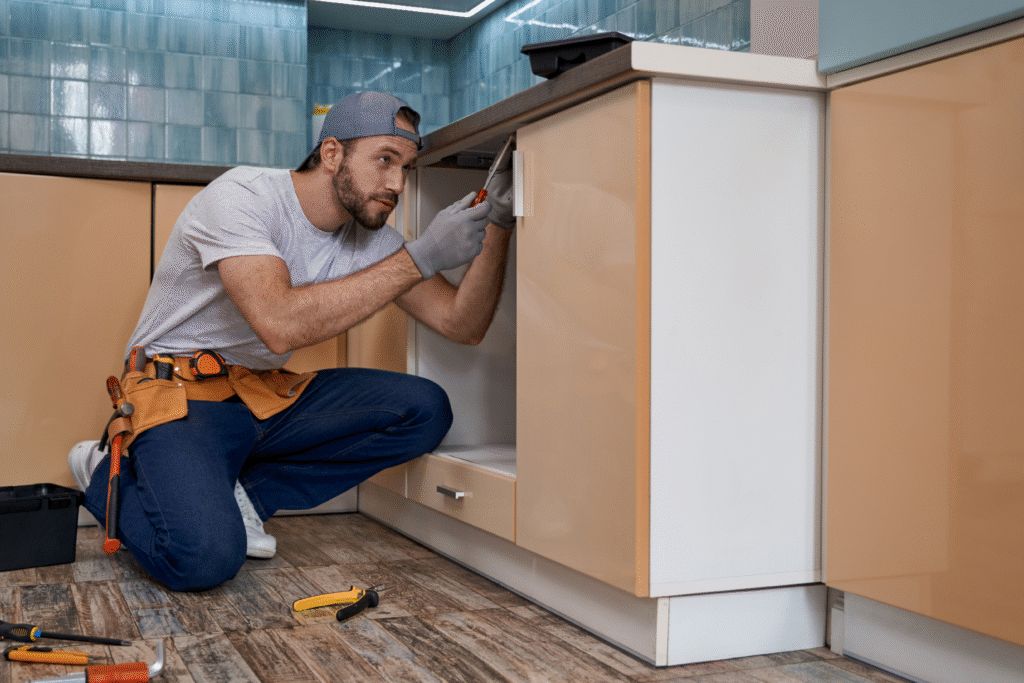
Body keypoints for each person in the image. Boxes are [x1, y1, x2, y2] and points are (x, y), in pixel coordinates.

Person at [67, 91, 515, 592]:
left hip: (263, 398)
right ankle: (102, 472)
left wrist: (498, 221)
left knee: (424, 408)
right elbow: (278, 322)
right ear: (331, 154)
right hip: (181, 398)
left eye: (406, 167)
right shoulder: (243, 197)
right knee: (204, 560)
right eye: (384, 160)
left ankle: (248, 495)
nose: (397, 184)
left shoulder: (373, 241)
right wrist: (420, 258)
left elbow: (462, 324)